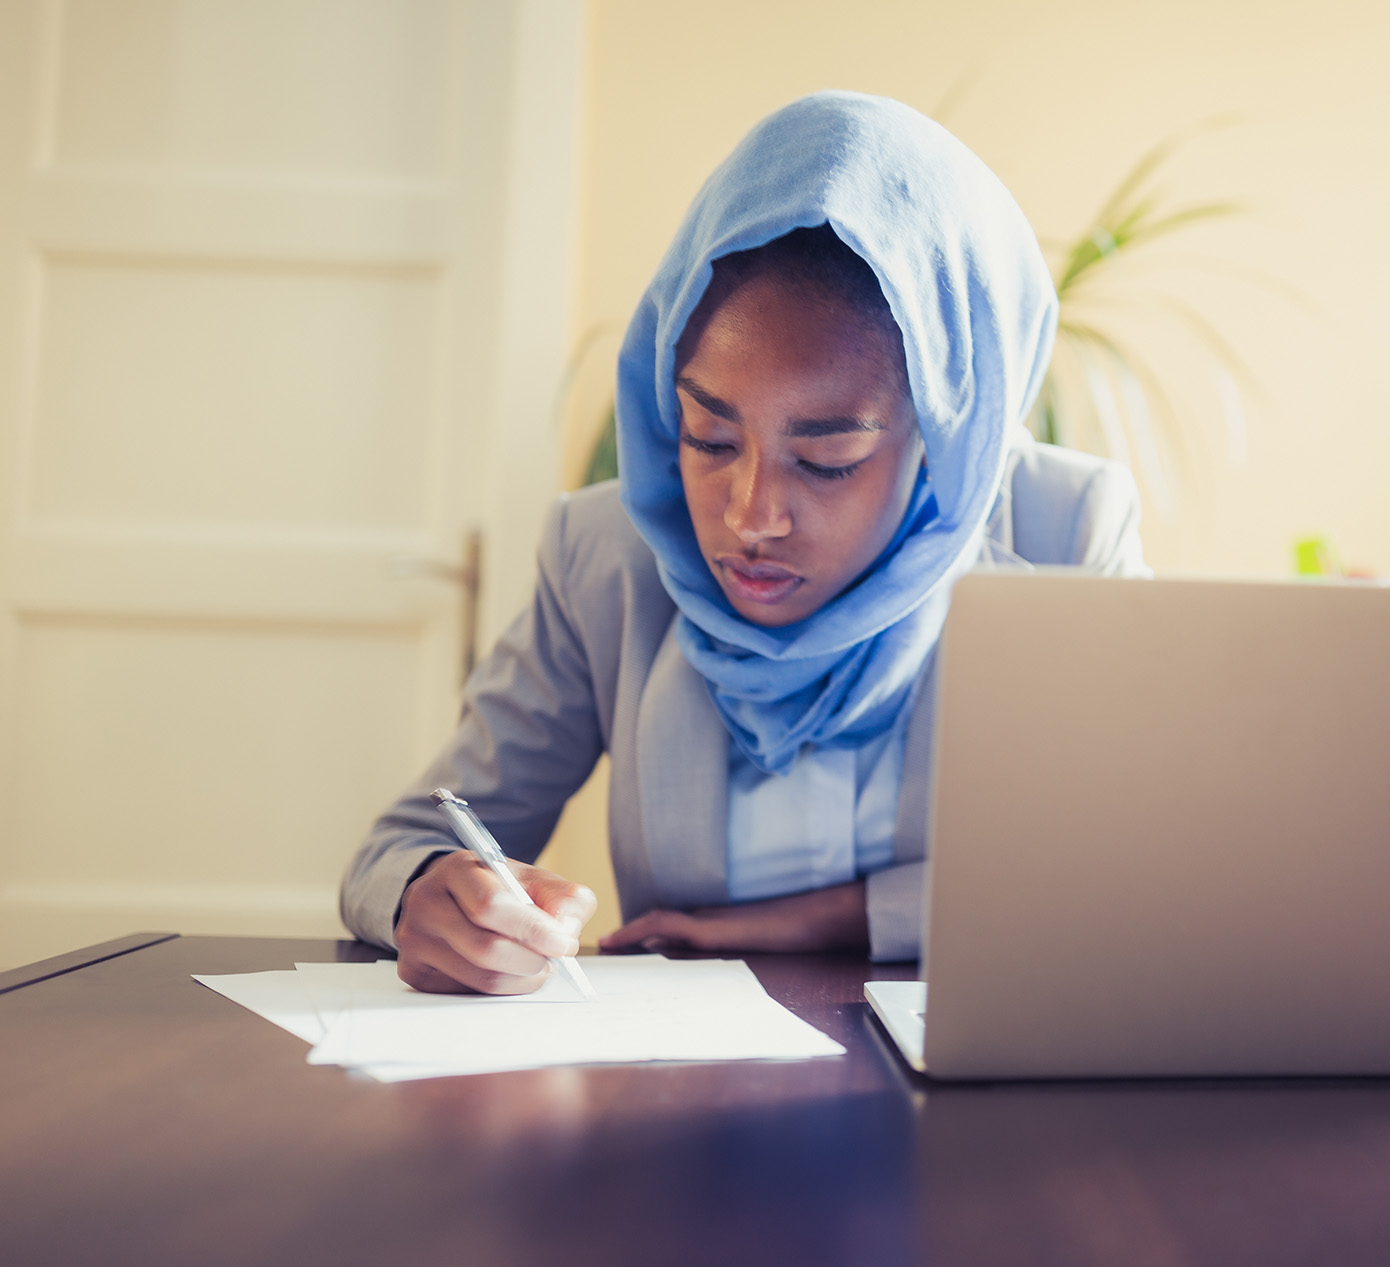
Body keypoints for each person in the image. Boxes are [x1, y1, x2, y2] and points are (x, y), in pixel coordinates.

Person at [339, 91, 1148, 995]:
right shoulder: (607, 556)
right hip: (684, 1105)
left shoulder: (1063, 534)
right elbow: (397, 849)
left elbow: (1132, 867)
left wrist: (813, 920)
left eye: (828, 459)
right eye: (709, 439)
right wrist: (434, 893)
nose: (750, 514)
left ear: (942, 437)